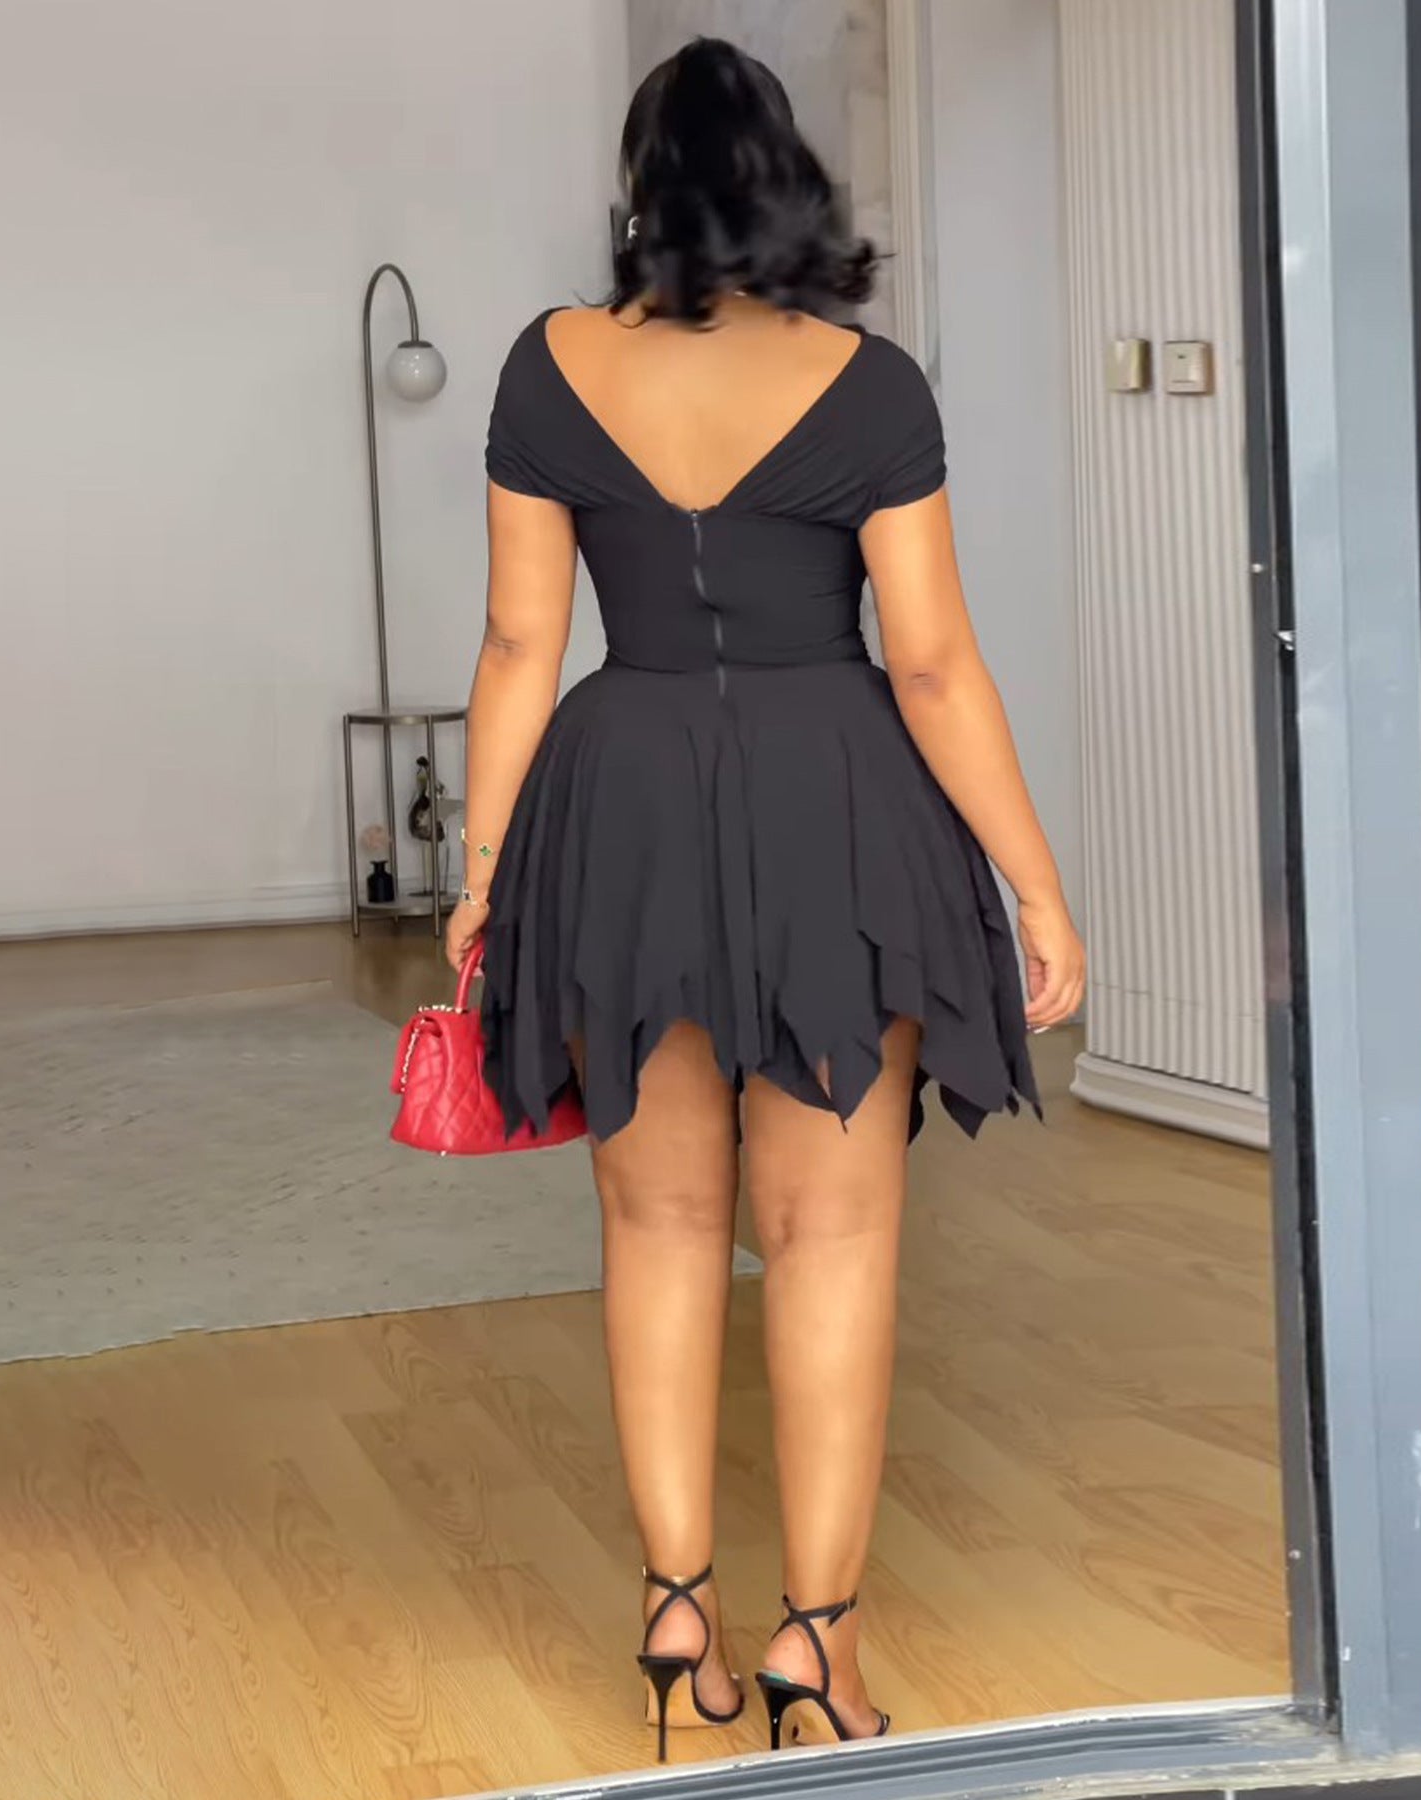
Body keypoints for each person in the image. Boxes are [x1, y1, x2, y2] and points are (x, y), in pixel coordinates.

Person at [447, 35, 1084, 1759]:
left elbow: (517, 643)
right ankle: (819, 1646)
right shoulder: (868, 386)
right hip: (837, 807)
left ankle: (679, 1620)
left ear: (640, 188)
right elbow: (932, 665)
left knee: (655, 1225)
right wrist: (1035, 887)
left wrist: (483, 873)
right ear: (787, 179)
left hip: (623, 800)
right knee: (832, 1235)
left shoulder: (547, 365)